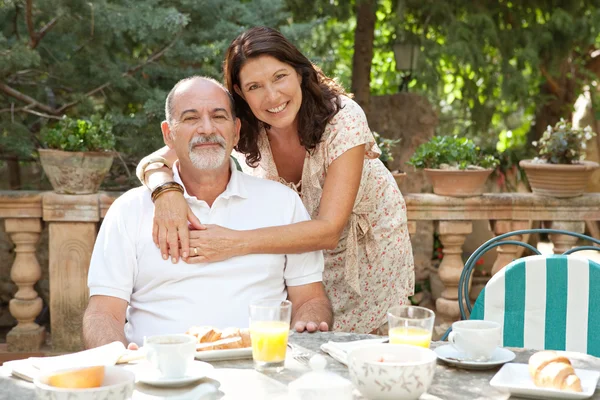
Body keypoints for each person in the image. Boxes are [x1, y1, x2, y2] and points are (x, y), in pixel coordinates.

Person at [137, 26, 414, 334]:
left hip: (368, 255)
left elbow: (329, 230)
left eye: (280, 77)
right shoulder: (239, 127)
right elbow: (157, 158)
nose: (272, 96)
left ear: (300, 73)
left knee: (368, 357)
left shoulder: (343, 119)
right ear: (240, 92)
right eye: (254, 86)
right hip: (301, 263)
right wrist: (166, 190)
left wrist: (233, 242)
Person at [83, 77, 332, 349]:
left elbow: (310, 299)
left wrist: (309, 322)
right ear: (168, 134)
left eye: (219, 116)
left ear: (236, 131)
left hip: (260, 370)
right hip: (163, 375)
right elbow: (102, 313)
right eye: (190, 118)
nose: (206, 128)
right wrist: (118, 357)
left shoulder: (282, 203)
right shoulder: (129, 210)